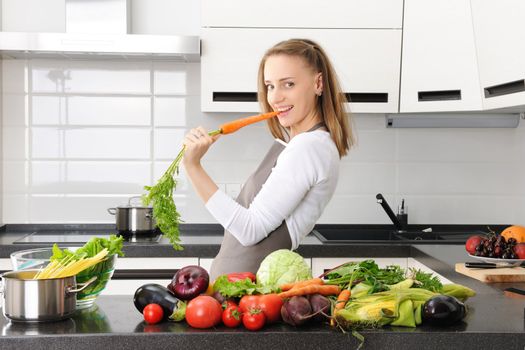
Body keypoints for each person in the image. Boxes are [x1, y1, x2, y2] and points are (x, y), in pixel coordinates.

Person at [182, 38, 355, 280]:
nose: (275, 97)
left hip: (249, 300)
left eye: (288, 84)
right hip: (239, 296)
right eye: (270, 86)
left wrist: (193, 167)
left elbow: (250, 230)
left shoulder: (309, 147)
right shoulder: (305, 144)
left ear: (318, 83)